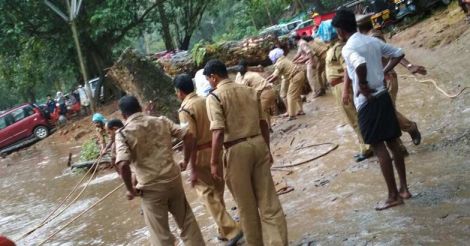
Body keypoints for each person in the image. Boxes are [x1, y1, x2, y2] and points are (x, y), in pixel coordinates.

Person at [332, 9, 412, 210]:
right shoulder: (370, 41)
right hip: (383, 96)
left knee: (378, 147)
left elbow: (359, 65)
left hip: (368, 102)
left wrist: (364, 84)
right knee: (393, 142)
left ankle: (393, 196)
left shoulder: (348, 47)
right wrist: (383, 72)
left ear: (341, 31)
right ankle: (404, 188)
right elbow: (398, 53)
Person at [204, 60, 288, 245]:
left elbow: (217, 131)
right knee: (269, 202)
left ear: (213, 77)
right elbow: (263, 123)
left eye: (209, 79)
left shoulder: (214, 97)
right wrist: (267, 149)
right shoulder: (249, 91)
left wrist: (214, 163)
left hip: (236, 150)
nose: (209, 83)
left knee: (246, 207)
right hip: (258, 143)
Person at [114, 96, 205, 246]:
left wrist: (130, 190)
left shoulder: (123, 134)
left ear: (123, 116)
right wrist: (185, 161)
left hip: (150, 188)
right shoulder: (161, 121)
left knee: (160, 234)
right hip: (173, 179)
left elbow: (123, 164)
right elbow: (188, 136)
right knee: (187, 222)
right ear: (140, 108)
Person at [174, 74, 243, 245]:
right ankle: (223, 230)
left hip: (200, 154)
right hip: (215, 150)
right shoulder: (206, 99)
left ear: (180, 92)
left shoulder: (185, 110)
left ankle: (232, 229)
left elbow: (189, 138)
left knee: (205, 193)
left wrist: (191, 167)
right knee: (217, 190)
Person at [357, 14, 423, 147]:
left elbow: (394, 53)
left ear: (358, 27)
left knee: (387, 112)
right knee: (386, 112)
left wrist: (409, 66)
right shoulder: (365, 38)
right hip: (379, 78)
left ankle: (410, 129)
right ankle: (400, 143)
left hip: (386, 78)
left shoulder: (373, 38)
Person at [324, 21, 373, 162]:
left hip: (342, 86)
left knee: (355, 118)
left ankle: (367, 147)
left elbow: (347, 69)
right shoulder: (332, 48)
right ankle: (366, 145)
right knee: (352, 118)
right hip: (337, 87)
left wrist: (345, 90)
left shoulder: (340, 48)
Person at [236, 60, 277, 130]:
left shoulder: (246, 77)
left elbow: (242, 89)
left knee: (260, 114)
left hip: (265, 93)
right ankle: (269, 128)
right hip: (270, 91)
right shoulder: (250, 73)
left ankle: (263, 131)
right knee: (265, 111)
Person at [267, 48, 306, 121]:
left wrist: (267, 83)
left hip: (295, 76)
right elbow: (274, 74)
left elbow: (275, 77)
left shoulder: (279, 63)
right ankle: (300, 110)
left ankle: (292, 115)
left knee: (290, 95)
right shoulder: (283, 59)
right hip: (299, 74)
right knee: (296, 94)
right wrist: (266, 80)